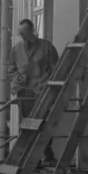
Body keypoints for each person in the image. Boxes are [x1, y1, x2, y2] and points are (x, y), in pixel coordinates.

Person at [11, 18, 60, 163]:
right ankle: (29, 158)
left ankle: (47, 155)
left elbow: (56, 70)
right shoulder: (16, 50)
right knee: (27, 125)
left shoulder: (47, 47)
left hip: (42, 92)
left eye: (25, 33)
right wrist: (19, 76)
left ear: (32, 31)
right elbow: (10, 71)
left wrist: (51, 89)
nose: (23, 37)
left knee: (43, 124)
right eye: (20, 34)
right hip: (25, 93)